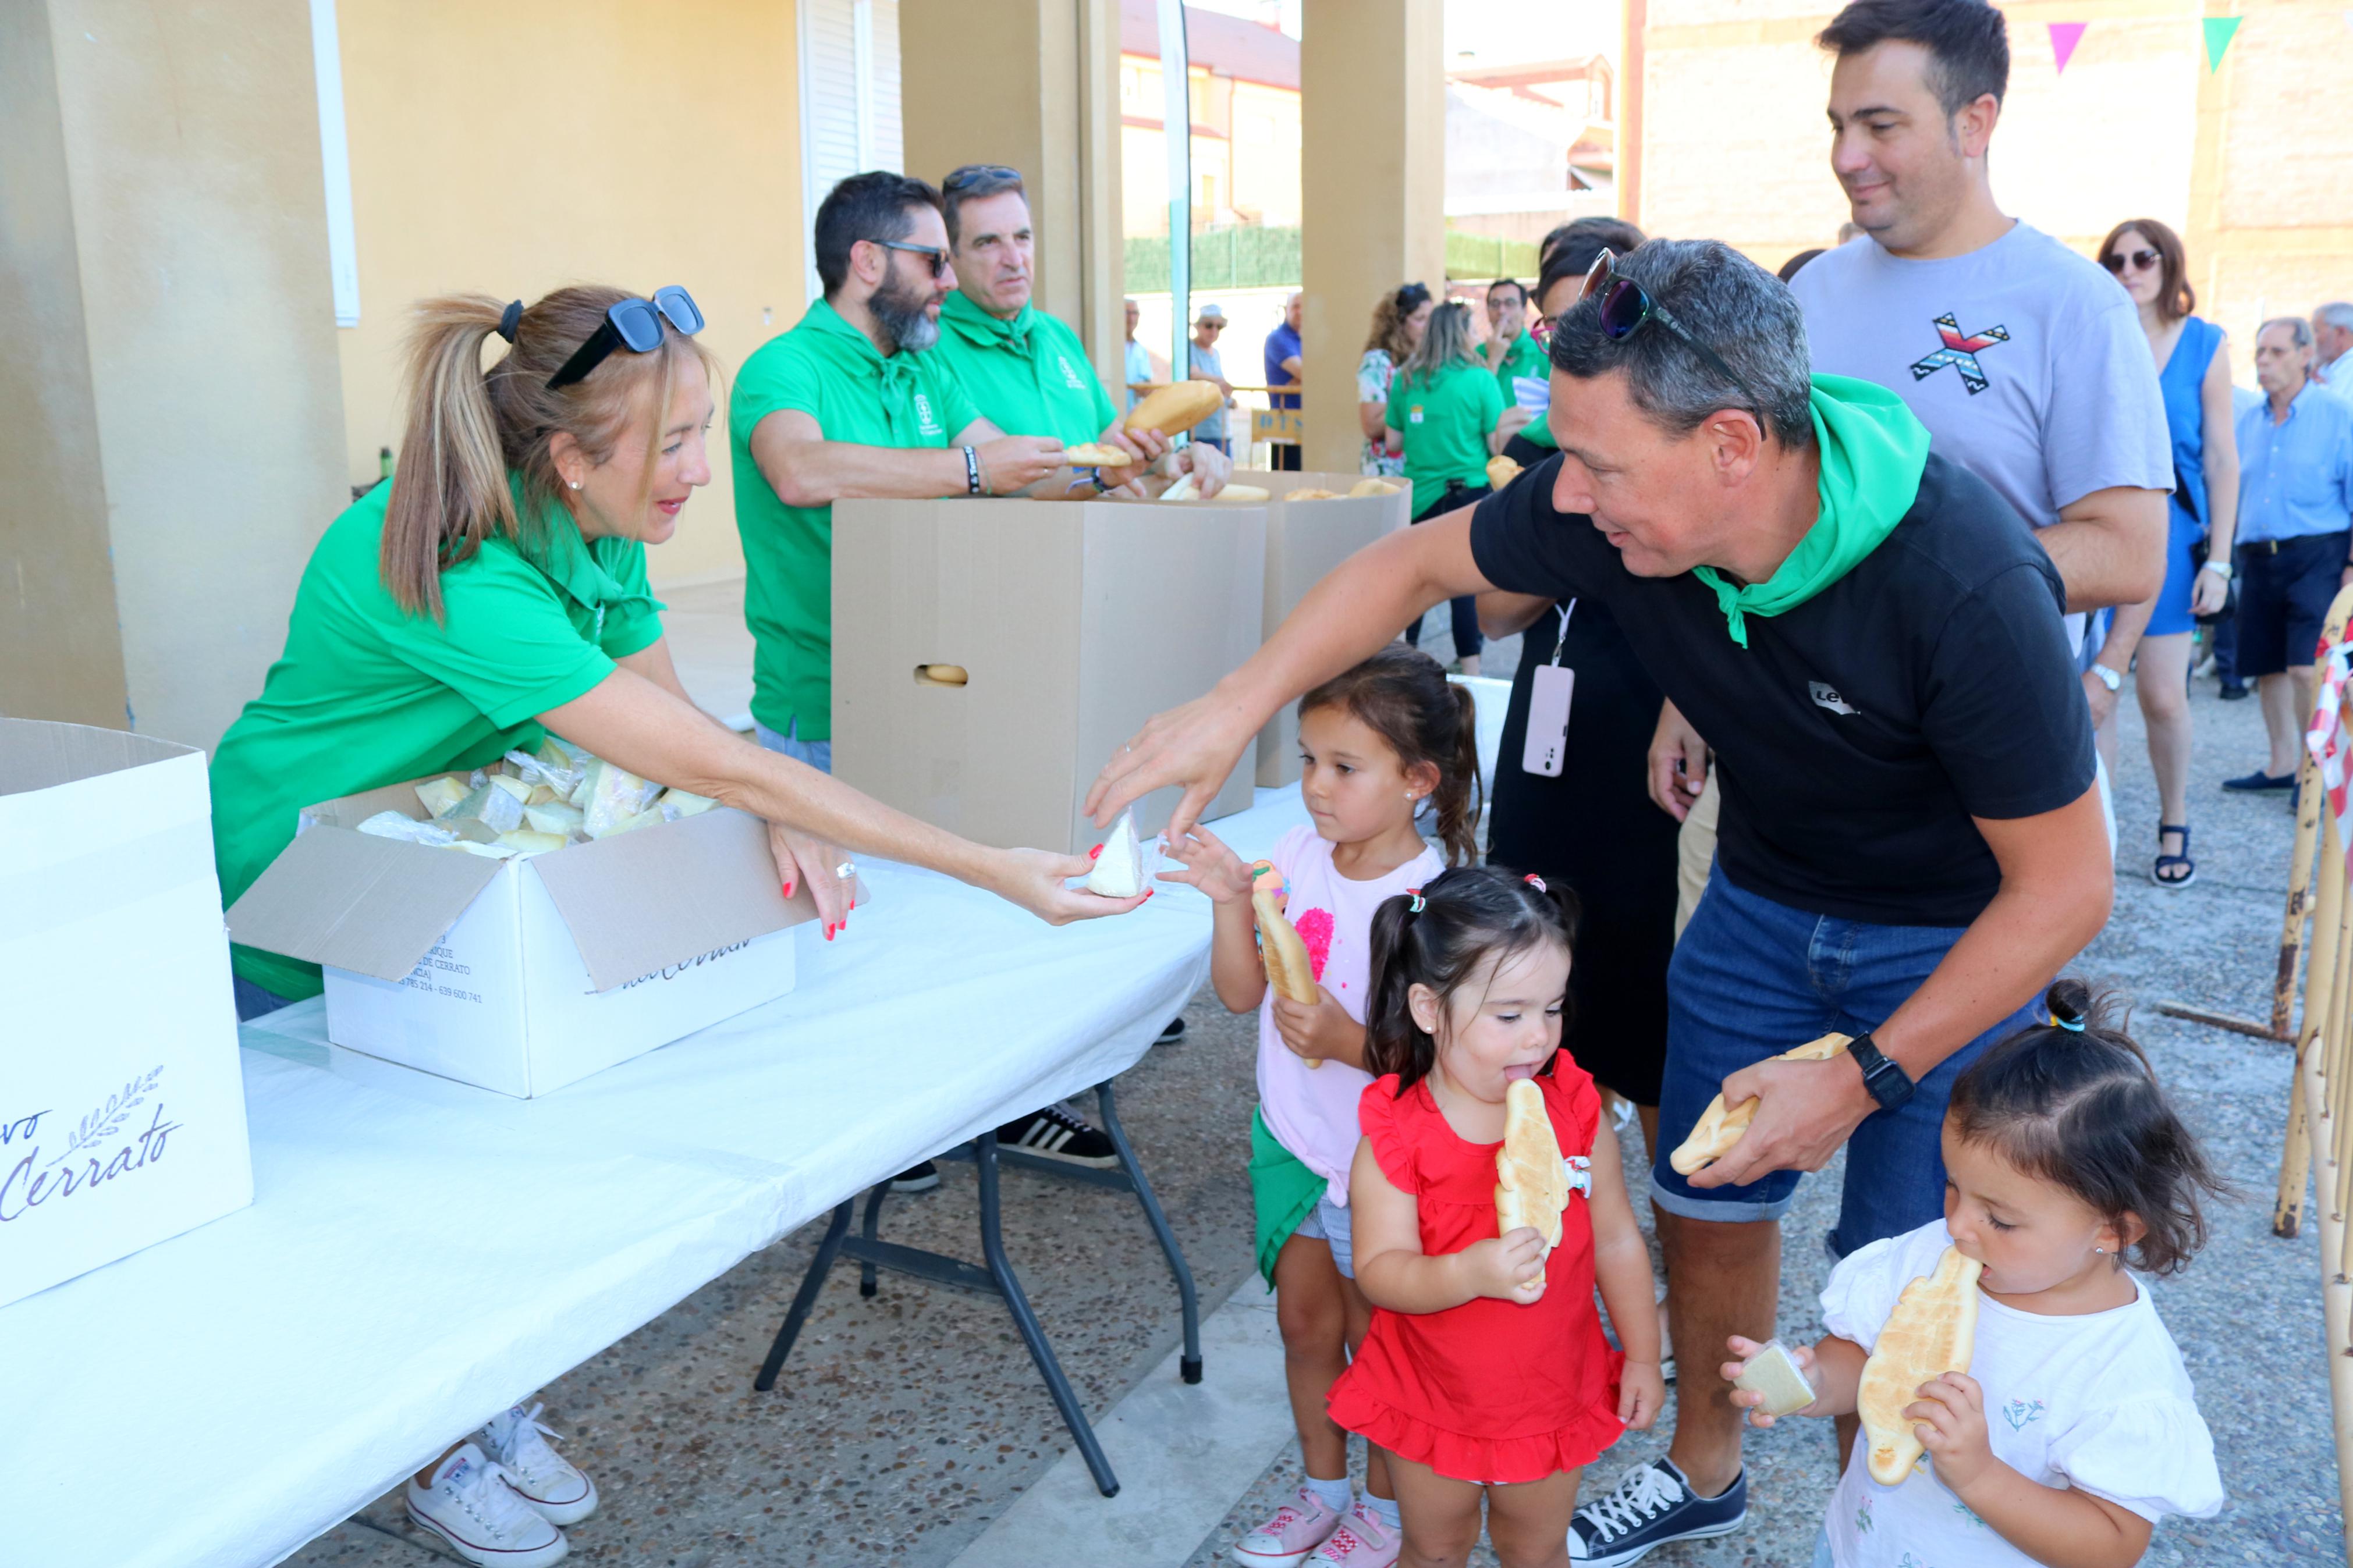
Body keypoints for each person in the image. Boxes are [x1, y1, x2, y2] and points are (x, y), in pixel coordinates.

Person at [1084, 239, 2112, 1566]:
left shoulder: (1960, 579)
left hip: (1952, 934)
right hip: (1759, 898)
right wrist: (1231, 711)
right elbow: (1407, 571)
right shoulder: (1609, 506)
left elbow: (2065, 885)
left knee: (1911, 1268)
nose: (1564, 497)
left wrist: (1858, 1076)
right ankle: (1708, 1467)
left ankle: (1879, 1526)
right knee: (1706, 1203)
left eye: (1599, 464)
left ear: (1731, 445)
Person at [210, 283, 1141, 1568]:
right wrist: (985, 864)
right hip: (297, 887)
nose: (703, 472)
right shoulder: (463, 573)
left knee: (482, 1159)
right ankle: (422, 1451)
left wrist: (771, 797)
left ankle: (479, 1407)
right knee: (386, 1205)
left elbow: (690, 728)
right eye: (678, 444)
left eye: (702, 430)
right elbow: (695, 758)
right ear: (568, 455)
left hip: (426, 867)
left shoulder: (591, 522)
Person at [1646, 0, 2167, 883]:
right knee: (1731, 1010)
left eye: (1879, 126)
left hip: (1963, 784)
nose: (1846, 157)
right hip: (1770, 775)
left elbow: (2126, 552)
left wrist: (1895, 595)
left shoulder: (2073, 304)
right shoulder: (1805, 295)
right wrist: (1689, 686)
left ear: (1976, 121)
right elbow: (1736, 504)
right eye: (1838, 125)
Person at [1727, 980, 2226, 1568]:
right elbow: (1870, 1357)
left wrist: (1980, 1475)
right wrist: (1810, 1384)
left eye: (2001, 1219)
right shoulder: (1930, 1256)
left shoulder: (2121, 1371)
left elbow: (2110, 1544)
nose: (1959, 1225)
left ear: (2112, 1230)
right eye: (1952, 1186)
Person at [1160, 646, 1470, 1568]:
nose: (1314, 787)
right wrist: (1229, 902)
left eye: (1343, 766)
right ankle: (1320, 1486)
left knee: (1382, 1339)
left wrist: (1347, 1042)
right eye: (1305, 760)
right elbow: (1237, 994)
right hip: (1295, 1139)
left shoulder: (1439, 897)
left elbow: (1454, 1056)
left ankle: (1382, 1505)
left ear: (1417, 780)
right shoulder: (1294, 854)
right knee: (1305, 1327)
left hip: (1385, 1162)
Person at [1329, 866, 1665, 1568]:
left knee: (1535, 1549)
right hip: (1428, 1394)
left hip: (1550, 1390)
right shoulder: (1397, 1135)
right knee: (1433, 1547)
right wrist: (1469, 1270)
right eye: (1508, 1015)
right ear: (1427, 1007)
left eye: (1552, 1008)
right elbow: (1380, 1271)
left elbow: (1615, 1239)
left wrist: (1638, 1353)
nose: (1536, 1037)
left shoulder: (1573, 1110)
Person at [730, 170, 1064, 777]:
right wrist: (969, 470)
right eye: (934, 261)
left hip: (929, 687)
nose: (950, 280)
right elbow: (798, 471)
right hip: (824, 711)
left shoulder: (923, 371)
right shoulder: (782, 367)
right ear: (867, 261)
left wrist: (1123, 470)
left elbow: (1011, 467)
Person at [928, 164, 1226, 501]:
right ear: (950, 256)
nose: (1014, 259)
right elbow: (1011, 476)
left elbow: (1115, 444)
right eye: (988, 242)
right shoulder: (926, 346)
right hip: (1003, 550)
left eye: (1023, 237)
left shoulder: (1056, 334)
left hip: (1091, 544)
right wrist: (1100, 477)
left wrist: (1177, 459)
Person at [2099, 218, 2238, 887]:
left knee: (2160, 695)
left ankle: (2173, 818)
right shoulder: (2095, 337)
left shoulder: (2204, 344)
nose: (2128, 269)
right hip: (2095, 535)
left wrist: (2219, 560)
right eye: (2115, 260)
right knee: (2089, 691)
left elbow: (2220, 458)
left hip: (2174, 544)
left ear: (2168, 264)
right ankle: (2093, 837)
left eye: (2142, 257)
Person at [2223, 318, 2353, 794]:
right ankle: (2281, 765)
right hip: (2257, 556)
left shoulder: (2336, 414)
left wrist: (2350, 570)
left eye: (2276, 351)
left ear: (2304, 355)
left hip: (2317, 553)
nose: (2263, 361)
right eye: (2259, 351)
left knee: (2305, 666)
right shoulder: (2248, 421)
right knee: (2267, 667)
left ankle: (2313, 767)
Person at [1387, 300, 1507, 677]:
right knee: (1464, 588)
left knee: (1415, 582)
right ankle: (1471, 674)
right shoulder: (1481, 378)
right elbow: (1495, 444)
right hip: (1469, 496)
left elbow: (1392, 442)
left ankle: (1402, 664)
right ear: (1462, 334)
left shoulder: (1405, 379)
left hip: (1419, 498)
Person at [1504, 221, 1648, 471]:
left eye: (1597, 324)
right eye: (1558, 329)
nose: (1573, 354)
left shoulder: (1687, 443)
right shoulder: (1528, 451)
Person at [1358, 282, 1433, 479]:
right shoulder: (1377, 362)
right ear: (1399, 323)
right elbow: (1371, 425)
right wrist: (1418, 405)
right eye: (1420, 319)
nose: (1428, 326)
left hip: (1419, 467)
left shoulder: (1423, 360)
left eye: (1430, 319)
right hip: (1388, 469)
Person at [1188, 301, 1238, 454]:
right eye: (1209, 325)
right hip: (1201, 430)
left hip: (1220, 429)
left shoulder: (1215, 353)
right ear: (1198, 327)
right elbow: (1193, 374)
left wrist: (1229, 400)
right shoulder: (1190, 348)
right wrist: (1219, 382)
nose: (1214, 331)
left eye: (1219, 327)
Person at [1267, 290, 1306, 470]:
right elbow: (1308, 373)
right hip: (1285, 424)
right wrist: (1306, 379)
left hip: (1305, 424)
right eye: (1295, 306)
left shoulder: (1305, 339)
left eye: (1304, 307)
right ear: (1286, 310)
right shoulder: (1277, 339)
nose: (1300, 311)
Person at [1123, 296, 1155, 412]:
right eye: (1127, 313)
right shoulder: (1113, 349)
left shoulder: (1140, 350)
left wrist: (1145, 388)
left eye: (1135, 313)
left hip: (1134, 413)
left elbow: (1147, 381)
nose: (1131, 318)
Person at [2315, 302, 2353, 394]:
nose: (2313, 339)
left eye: (2317, 331)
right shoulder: (2326, 367)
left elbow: (2341, 406)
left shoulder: (2349, 368)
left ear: (2340, 333)